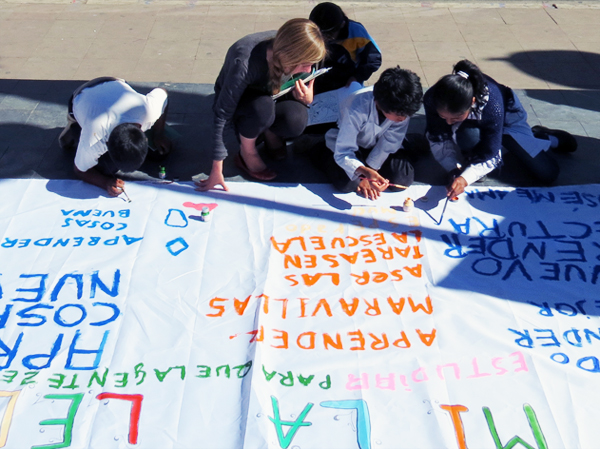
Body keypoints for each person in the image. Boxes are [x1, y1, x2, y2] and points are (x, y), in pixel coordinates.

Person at [197, 18, 326, 192]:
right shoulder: (244, 62)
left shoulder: (300, 54)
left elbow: (303, 80)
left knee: (296, 119)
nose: (309, 70)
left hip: (272, 95)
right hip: (246, 103)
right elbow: (222, 113)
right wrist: (217, 169)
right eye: (305, 64)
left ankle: (269, 131)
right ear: (289, 57)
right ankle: (247, 152)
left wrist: (307, 99)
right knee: (262, 109)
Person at [424, 59, 577, 198]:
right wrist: (452, 169)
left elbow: (492, 155)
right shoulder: (433, 99)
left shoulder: (493, 105)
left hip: (507, 121)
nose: (449, 122)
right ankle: (475, 153)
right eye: (444, 117)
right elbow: (437, 138)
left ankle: (542, 137)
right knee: (467, 137)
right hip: (474, 126)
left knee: (547, 173)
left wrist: (466, 178)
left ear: (472, 102)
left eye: (455, 117)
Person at [322, 66, 423, 200]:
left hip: (378, 146)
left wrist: (372, 169)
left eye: (407, 115)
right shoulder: (355, 107)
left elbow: (389, 143)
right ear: (381, 104)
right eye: (400, 116)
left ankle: (411, 143)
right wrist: (363, 173)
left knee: (401, 179)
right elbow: (344, 149)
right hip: (349, 144)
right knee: (347, 184)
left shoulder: (402, 109)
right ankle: (317, 150)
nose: (404, 119)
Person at [59, 77, 171, 197]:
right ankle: (75, 128)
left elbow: (163, 92)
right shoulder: (95, 137)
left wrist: (159, 133)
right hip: (82, 95)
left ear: (145, 138)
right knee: (106, 170)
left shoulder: (149, 111)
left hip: (114, 82)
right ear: (107, 144)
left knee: (159, 152)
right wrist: (105, 182)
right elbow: (80, 170)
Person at [309, 2, 382, 94]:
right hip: (319, 81)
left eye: (329, 35)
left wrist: (357, 77)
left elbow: (373, 60)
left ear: (342, 25)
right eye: (319, 35)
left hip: (347, 81)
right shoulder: (310, 33)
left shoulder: (357, 32)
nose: (324, 39)